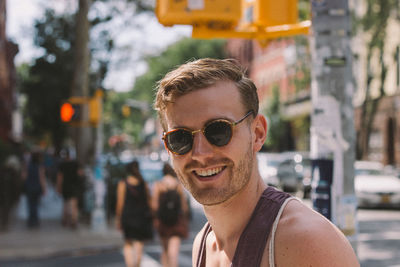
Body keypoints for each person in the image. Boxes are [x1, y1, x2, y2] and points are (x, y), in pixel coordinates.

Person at [154, 58, 359, 267]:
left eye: (218, 130)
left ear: (258, 133)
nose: (200, 153)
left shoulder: (305, 241)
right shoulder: (203, 243)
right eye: (180, 138)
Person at [115, 160, 153, 267]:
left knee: (128, 243)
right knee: (139, 243)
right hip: (141, 217)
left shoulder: (123, 183)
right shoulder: (143, 183)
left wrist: (118, 219)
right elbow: (149, 201)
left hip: (127, 217)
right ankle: (137, 264)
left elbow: (120, 203)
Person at [152, 163, 189, 267]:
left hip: (163, 220)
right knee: (174, 251)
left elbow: (155, 205)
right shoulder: (177, 185)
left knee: (165, 250)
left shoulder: (159, 185)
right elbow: (184, 205)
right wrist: (185, 218)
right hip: (176, 220)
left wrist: (155, 218)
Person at [56, 149, 84, 229]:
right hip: (74, 186)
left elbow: (59, 177)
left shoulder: (62, 164)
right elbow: (80, 173)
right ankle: (73, 220)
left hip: (65, 186)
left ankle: (65, 219)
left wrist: (58, 187)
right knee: (74, 204)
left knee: (65, 203)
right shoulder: (76, 163)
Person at [23, 151, 47, 228]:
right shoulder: (40, 166)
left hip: (29, 187)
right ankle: (35, 220)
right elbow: (42, 178)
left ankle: (31, 220)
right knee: (36, 204)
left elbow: (24, 176)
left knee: (30, 204)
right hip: (37, 187)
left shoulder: (28, 165)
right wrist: (44, 188)